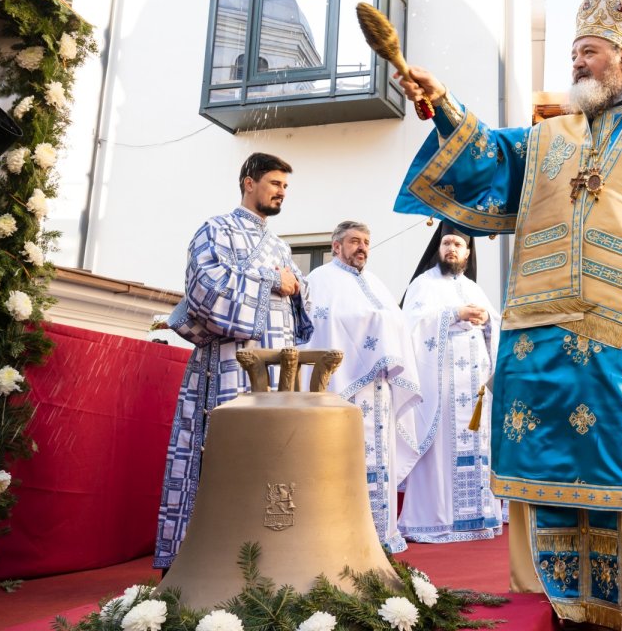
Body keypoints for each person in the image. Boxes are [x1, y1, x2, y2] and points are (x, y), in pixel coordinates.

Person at [392, 0, 622, 630]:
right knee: (557, 473)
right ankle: (567, 606)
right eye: (573, 53)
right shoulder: (547, 140)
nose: (578, 64)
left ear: (621, 58)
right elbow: (488, 158)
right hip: (545, 340)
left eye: (588, 52)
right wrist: (442, 103)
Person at [155, 153, 312, 569]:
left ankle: (266, 555)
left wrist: (297, 287)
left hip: (277, 369)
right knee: (223, 455)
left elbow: (299, 295)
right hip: (227, 365)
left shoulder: (280, 245)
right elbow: (203, 288)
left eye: (285, 187)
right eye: (275, 183)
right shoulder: (214, 229)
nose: (281, 192)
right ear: (248, 182)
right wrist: (269, 281)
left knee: (272, 458)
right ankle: (206, 557)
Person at [304, 221, 424, 552]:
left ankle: (380, 534)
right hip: (344, 390)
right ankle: (340, 537)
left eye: (367, 242)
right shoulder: (319, 281)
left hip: (381, 389)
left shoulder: (377, 283)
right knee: (341, 457)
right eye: (355, 241)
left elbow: (396, 323)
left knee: (377, 460)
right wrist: (372, 326)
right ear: (335, 246)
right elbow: (323, 325)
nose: (362, 248)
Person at [397, 222, 502, 543]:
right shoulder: (423, 284)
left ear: (468, 253)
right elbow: (410, 325)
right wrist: (453, 314)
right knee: (440, 449)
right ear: (438, 249)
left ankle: (477, 518)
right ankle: (433, 520)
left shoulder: (474, 288)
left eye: (458, 245)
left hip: (473, 388)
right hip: (439, 385)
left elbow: (495, 325)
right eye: (447, 244)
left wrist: (486, 322)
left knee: (477, 444)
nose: (452, 249)